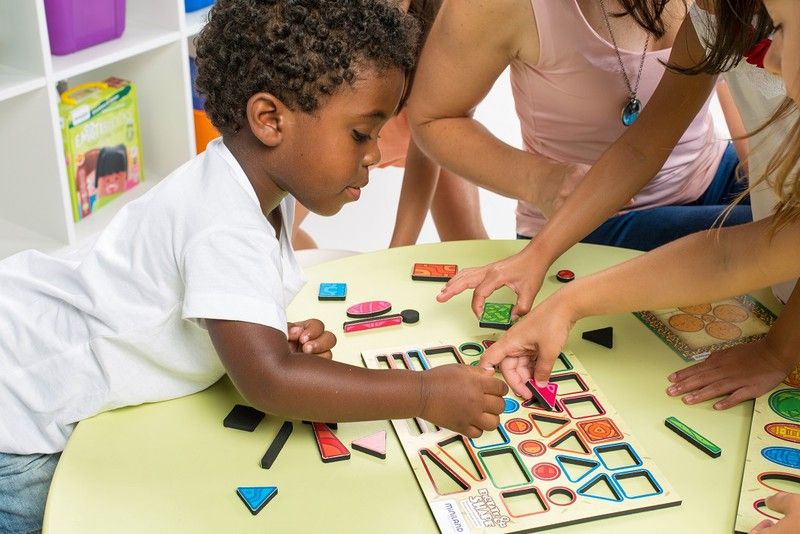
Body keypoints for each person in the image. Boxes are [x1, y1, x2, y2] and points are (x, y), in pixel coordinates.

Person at [0, 2, 508, 532]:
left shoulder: (256, 189)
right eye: (362, 134)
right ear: (269, 120)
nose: (375, 156)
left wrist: (264, 331)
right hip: (21, 411)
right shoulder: (225, 224)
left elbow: (216, 316)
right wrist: (425, 393)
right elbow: (269, 382)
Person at [466, 0, 798, 530]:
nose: (771, 61)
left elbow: (751, 250)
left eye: (782, 30)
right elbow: (739, 250)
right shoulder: (716, 17)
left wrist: (780, 350)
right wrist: (564, 296)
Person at [409, 0, 751, 255]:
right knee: (769, 236)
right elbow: (433, 117)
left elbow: (730, 73)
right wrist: (541, 180)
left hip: (712, 173)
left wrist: (759, 168)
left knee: (778, 218)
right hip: (590, 220)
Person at [291, 0, 488, 250]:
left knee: (468, 240)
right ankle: (304, 266)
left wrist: (398, 251)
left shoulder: (439, 31)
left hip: (427, 134)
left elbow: (425, 152)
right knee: (277, 229)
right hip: (362, 130)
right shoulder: (334, 26)